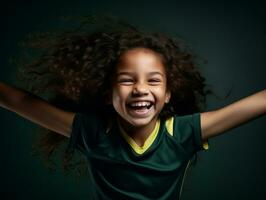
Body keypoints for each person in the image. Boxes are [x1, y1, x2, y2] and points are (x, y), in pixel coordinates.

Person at [0, 16, 265, 199]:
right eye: (127, 80)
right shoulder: (93, 132)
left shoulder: (183, 133)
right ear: (108, 94)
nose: (140, 88)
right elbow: (20, 101)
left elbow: (254, 104)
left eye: (153, 80)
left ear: (168, 93)